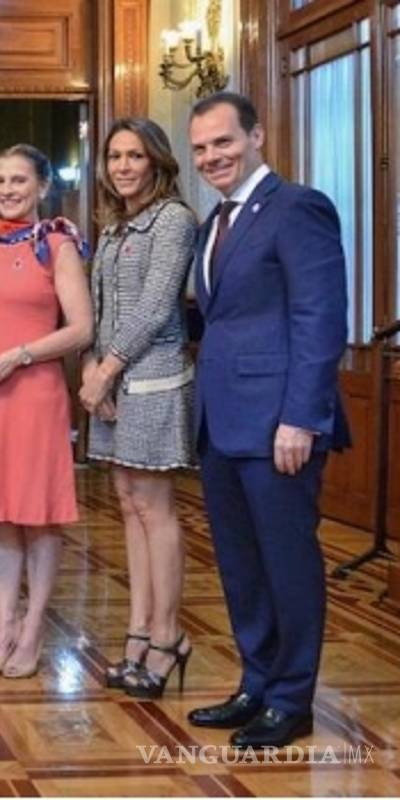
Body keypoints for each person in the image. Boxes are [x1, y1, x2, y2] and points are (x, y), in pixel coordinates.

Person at [185, 92, 349, 748]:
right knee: (240, 564)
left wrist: (302, 417)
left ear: (255, 136)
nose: (211, 157)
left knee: (286, 562)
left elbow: (320, 317)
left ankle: (291, 698)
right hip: (222, 424)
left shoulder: (296, 207)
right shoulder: (214, 222)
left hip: (280, 425)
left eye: (223, 142)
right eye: (200, 148)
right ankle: (256, 682)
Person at [0, 144, 92, 679]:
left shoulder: (57, 244)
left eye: (19, 181)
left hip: (33, 391)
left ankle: (34, 628)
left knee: (38, 511)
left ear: (42, 186)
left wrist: (20, 354)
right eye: (0, 180)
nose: (8, 190)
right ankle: (3, 624)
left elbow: (81, 328)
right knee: (0, 512)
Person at [78, 118, 197, 698]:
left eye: (135, 155)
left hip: (152, 379)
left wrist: (106, 369)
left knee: (154, 507)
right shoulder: (115, 226)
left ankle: (169, 635)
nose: (123, 166)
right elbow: (101, 308)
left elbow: (155, 308)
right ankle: (139, 627)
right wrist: (91, 368)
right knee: (127, 505)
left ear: (157, 162)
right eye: (115, 156)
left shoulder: (173, 220)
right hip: (112, 384)